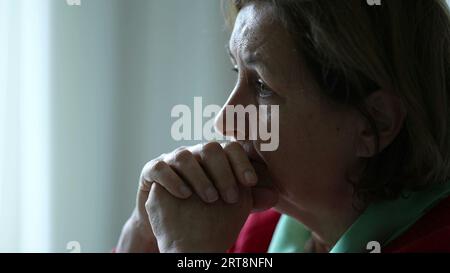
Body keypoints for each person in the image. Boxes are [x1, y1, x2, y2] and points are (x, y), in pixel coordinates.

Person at [116, 0, 450, 253]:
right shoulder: (251, 227)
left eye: (261, 85)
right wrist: (140, 234)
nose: (224, 119)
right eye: (237, 73)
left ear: (374, 122)